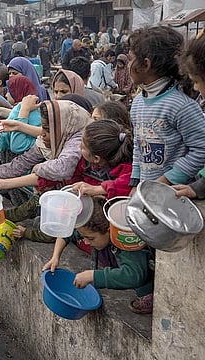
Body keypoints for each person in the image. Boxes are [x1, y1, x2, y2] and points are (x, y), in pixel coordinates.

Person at [42, 196, 154, 314]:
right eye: (84, 237)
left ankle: (147, 296)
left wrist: (93, 276)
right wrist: (55, 257)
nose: (85, 241)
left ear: (108, 230)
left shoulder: (126, 239)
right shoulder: (93, 230)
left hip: (147, 286)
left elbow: (133, 275)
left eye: (90, 238)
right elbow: (67, 234)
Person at [127, 26, 205, 195]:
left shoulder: (181, 106)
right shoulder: (138, 102)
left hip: (174, 194)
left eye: (130, 58)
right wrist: (135, 181)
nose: (127, 64)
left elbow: (201, 149)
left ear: (145, 64)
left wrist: (168, 179)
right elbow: (138, 145)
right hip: (148, 190)